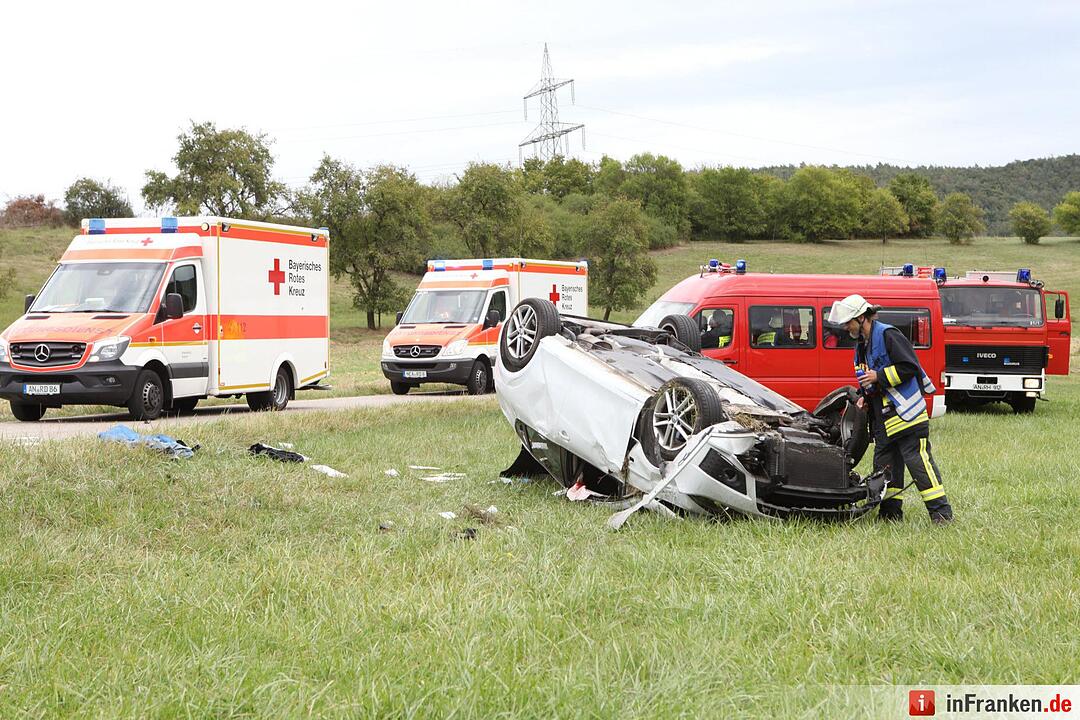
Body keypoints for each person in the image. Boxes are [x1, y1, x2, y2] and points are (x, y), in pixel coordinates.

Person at [828, 294, 955, 525]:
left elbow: (909, 367)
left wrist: (879, 376)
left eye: (848, 322)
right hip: (884, 421)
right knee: (885, 468)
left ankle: (941, 514)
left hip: (907, 416)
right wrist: (864, 397)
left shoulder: (888, 335)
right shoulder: (862, 345)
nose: (846, 328)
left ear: (862, 318)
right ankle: (890, 514)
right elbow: (867, 378)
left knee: (918, 464)